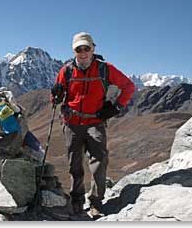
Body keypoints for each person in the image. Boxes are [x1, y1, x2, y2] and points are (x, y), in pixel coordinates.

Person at [51, 32, 135, 218]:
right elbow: (55, 97)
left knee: (99, 163)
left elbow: (128, 86)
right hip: (72, 123)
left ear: (93, 49)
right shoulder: (66, 70)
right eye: (78, 49)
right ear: (74, 51)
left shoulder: (105, 69)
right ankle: (77, 202)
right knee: (75, 166)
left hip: (95, 123)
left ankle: (96, 202)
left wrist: (116, 107)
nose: (82, 52)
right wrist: (55, 94)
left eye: (86, 48)